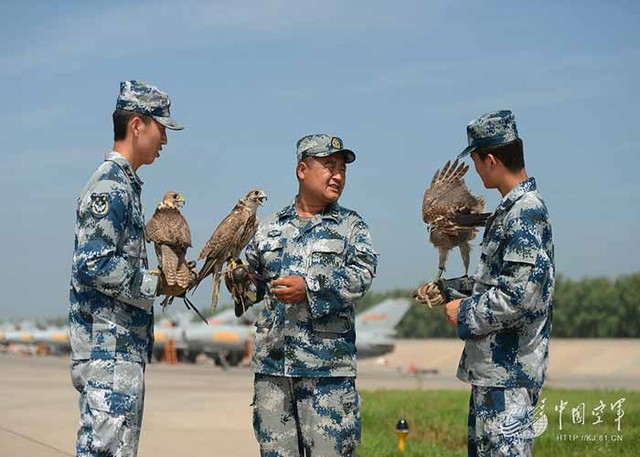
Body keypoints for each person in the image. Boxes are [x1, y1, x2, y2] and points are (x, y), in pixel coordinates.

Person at [225, 134, 378, 456]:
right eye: (329, 166)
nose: (338, 175)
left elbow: (361, 278)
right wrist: (236, 279)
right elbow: (252, 292)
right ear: (302, 170)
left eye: (342, 169)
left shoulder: (351, 227)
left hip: (327, 374)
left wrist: (309, 286)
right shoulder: (268, 228)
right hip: (274, 372)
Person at [68, 80, 187, 457]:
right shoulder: (110, 187)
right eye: (161, 128)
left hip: (121, 351)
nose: (165, 140)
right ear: (137, 125)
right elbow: (93, 262)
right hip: (109, 353)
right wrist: (155, 283)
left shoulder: (126, 186)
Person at [428, 111, 554, 456]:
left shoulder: (525, 212)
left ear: (491, 160)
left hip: (509, 375)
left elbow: (519, 296)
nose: (476, 169)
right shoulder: (509, 211)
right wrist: (446, 291)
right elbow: (496, 282)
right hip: (494, 373)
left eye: (476, 161)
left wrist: (464, 313)